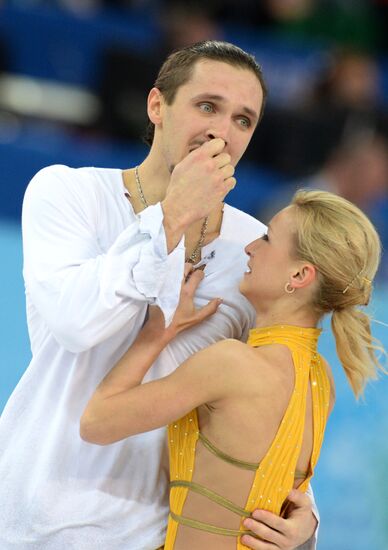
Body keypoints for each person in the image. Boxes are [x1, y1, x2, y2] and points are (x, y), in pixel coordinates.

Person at [0, 41, 317, 549]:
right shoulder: (68, 194)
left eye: (243, 120)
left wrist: (303, 512)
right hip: (35, 518)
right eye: (207, 106)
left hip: (154, 533)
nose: (221, 131)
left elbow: (276, 388)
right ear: (157, 107)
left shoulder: (255, 250)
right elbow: (76, 324)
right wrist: (172, 217)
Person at [81, 189, 385, 549]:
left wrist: (159, 330)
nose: (250, 247)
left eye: (268, 238)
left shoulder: (230, 364)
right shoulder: (322, 381)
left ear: (300, 274)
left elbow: (97, 422)